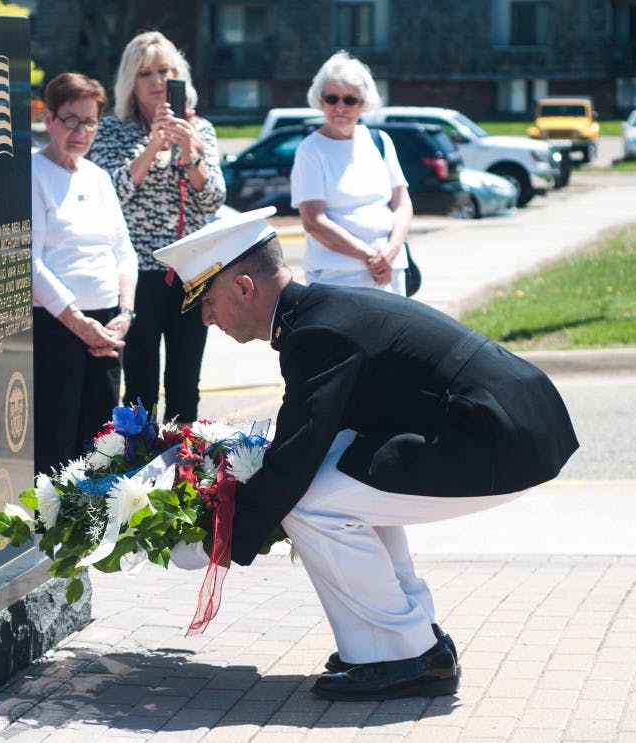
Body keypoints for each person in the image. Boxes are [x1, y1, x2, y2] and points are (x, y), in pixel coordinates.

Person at [153, 206, 578, 701]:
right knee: (339, 479)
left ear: (244, 288)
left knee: (311, 501)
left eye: (207, 301)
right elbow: (312, 444)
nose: (205, 317)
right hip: (506, 423)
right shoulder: (315, 316)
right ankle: (411, 640)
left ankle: (403, 655)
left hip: (500, 437)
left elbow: (293, 462)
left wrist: (219, 543)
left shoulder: (315, 333)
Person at [88, 31, 225, 425]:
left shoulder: (202, 131)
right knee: (140, 383)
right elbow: (111, 194)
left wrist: (188, 149)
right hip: (137, 274)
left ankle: (184, 472)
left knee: (185, 383)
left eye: (166, 71)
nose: (157, 81)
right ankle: (136, 468)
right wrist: (152, 147)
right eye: (146, 72)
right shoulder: (113, 131)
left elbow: (213, 198)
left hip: (192, 272)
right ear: (130, 81)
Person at [32, 72, 138, 474]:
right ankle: (49, 533)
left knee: (100, 444)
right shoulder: (33, 173)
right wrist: (78, 323)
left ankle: (93, 531)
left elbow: (122, 251)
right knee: (55, 440)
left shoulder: (98, 177)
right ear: (49, 118)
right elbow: (32, 262)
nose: (80, 131)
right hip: (58, 324)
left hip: (108, 326)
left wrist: (126, 313)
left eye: (90, 121)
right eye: (71, 119)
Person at [291, 51, 412, 294]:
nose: (339, 107)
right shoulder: (310, 150)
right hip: (338, 278)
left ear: (363, 102)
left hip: (390, 270)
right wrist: (371, 257)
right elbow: (314, 222)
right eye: (332, 98)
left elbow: (402, 204)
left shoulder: (380, 141)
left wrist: (390, 252)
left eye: (350, 100)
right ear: (320, 100)